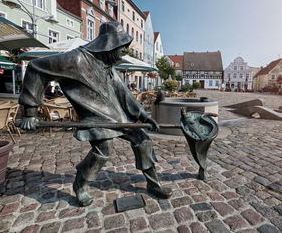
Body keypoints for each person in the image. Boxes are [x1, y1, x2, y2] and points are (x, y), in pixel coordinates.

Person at [19, 22, 172, 206]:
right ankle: (81, 184)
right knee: (103, 150)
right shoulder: (74, 60)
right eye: (123, 46)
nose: (125, 51)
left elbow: (124, 94)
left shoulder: (109, 66)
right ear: (110, 44)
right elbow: (36, 68)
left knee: (143, 140)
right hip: (96, 117)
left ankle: (153, 184)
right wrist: (30, 111)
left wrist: (143, 115)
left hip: (120, 117)